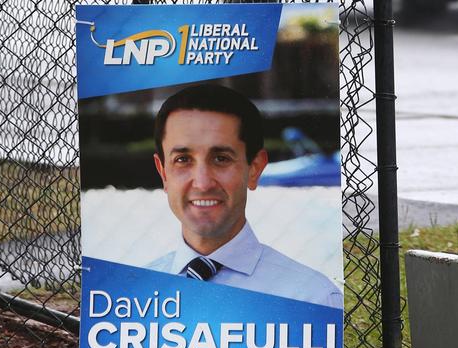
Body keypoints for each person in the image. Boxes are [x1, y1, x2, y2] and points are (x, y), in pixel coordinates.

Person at [147, 84, 342, 309]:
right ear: (163, 173)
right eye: (182, 160)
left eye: (221, 158)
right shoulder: (128, 297)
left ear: (255, 169)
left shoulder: (313, 299)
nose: (202, 183)